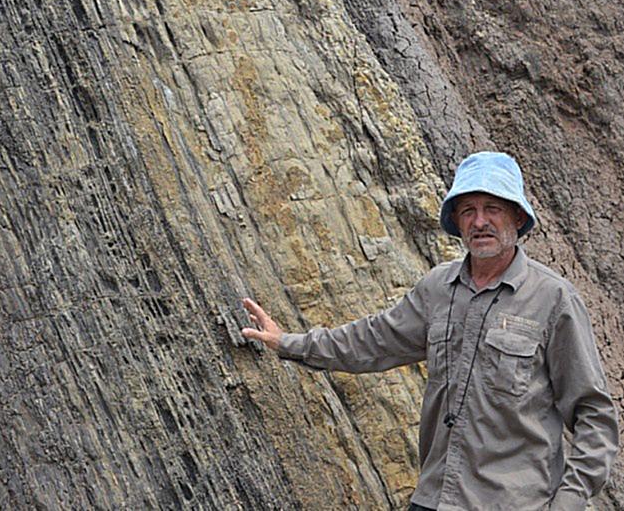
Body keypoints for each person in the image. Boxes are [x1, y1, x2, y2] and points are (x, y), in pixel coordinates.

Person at [241, 152, 619, 511]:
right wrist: (288, 342)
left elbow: (595, 416)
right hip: (434, 498)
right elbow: (370, 340)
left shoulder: (553, 299)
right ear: (456, 221)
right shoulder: (439, 289)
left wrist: (568, 503)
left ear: (518, 218)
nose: (480, 221)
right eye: (468, 210)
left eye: (493, 209)